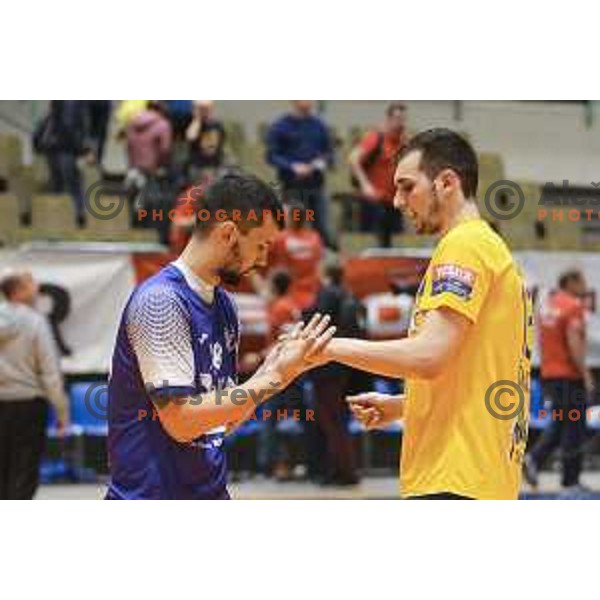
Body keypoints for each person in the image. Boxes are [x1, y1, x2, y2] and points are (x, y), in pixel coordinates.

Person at [314, 128, 533, 500]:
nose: (397, 201)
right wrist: (404, 406)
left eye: (406, 186)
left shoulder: (464, 246)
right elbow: (472, 373)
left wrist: (327, 348)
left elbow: (428, 356)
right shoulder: (489, 248)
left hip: (454, 477)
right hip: (480, 477)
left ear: (447, 182)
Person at [106, 172, 336, 500]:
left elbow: (219, 424)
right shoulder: (160, 301)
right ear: (228, 233)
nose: (264, 260)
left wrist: (273, 371)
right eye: (260, 245)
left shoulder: (224, 304)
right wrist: (272, 380)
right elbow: (182, 422)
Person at [0, 271, 69, 499]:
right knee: (23, 474)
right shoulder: (35, 322)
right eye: (30, 283)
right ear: (18, 291)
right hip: (28, 407)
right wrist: (62, 411)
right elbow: (50, 372)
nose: (36, 287)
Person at [525, 269, 594, 495]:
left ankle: (537, 459)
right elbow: (574, 344)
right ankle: (569, 480)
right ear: (571, 282)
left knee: (563, 421)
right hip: (569, 377)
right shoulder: (573, 307)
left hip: (550, 374)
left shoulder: (548, 306)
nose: (584, 286)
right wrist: (585, 374)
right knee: (574, 426)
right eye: (581, 281)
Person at [311, 262, 363, 485]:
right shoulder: (347, 293)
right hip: (343, 364)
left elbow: (318, 325)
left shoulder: (327, 293)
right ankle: (344, 469)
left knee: (331, 421)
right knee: (338, 420)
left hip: (327, 365)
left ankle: (342, 472)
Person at [266, 101, 336, 250]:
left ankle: (324, 263)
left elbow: (329, 154)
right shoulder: (281, 125)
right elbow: (271, 155)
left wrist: (317, 164)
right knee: (290, 227)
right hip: (291, 187)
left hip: (315, 186)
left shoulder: (319, 125)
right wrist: (292, 166)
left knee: (321, 227)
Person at [348, 102, 408, 247]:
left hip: (393, 203)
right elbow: (353, 158)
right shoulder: (376, 138)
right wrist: (365, 185)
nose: (400, 123)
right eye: (397, 119)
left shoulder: (403, 143)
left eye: (403, 119)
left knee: (394, 244)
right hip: (374, 203)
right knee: (372, 244)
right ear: (388, 120)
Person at [33, 100, 92, 226]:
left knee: (59, 183)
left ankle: (60, 218)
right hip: (65, 148)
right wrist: (82, 149)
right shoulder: (72, 102)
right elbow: (68, 125)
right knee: (71, 184)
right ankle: (76, 216)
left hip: (54, 147)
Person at [267, 199, 324, 311]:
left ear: (291, 218)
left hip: (287, 299)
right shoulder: (315, 238)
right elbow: (320, 270)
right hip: (312, 299)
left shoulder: (280, 238)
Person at [185, 100, 227, 181]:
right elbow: (190, 136)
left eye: (205, 109)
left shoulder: (216, 125)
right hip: (197, 168)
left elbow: (215, 147)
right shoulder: (194, 124)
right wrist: (197, 120)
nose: (203, 112)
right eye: (200, 109)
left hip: (213, 168)